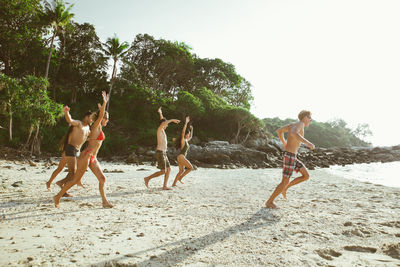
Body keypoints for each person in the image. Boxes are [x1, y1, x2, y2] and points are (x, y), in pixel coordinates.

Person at [53, 91, 113, 208]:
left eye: (107, 119)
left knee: (102, 179)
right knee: (75, 180)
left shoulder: (98, 127)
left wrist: (102, 108)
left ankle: (104, 202)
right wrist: (104, 104)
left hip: (93, 157)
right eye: (106, 118)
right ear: (101, 118)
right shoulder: (95, 125)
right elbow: (100, 115)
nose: (107, 120)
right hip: (86, 156)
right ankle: (58, 197)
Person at [265, 110, 315, 209]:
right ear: (305, 117)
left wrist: (284, 142)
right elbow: (293, 133)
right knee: (284, 181)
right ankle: (269, 202)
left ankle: (285, 188)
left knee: (305, 176)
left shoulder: (294, 124)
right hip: (290, 156)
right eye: (310, 118)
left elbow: (279, 131)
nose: (310, 120)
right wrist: (307, 143)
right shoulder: (300, 124)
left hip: (292, 156)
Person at [46, 107, 92, 196]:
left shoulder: (88, 129)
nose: (91, 120)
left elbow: (87, 139)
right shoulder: (79, 124)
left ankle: (49, 183)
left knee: (60, 168)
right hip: (70, 149)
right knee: (73, 173)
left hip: (76, 151)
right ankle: (61, 184)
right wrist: (66, 112)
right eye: (91, 118)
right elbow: (70, 120)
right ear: (86, 117)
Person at [144, 107, 180, 190]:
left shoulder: (162, 130)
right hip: (160, 152)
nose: (166, 125)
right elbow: (163, 123)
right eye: (165, 124)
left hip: (164, 153)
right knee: (163, 171)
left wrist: (160, 113)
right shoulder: (159, 129)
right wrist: (172, 120)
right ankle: (147, 178)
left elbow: (162, 121)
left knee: (169, 169)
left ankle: (164, 186)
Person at [172, 116, 194, 186]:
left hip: (181, 157)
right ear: (186, 134)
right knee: (190, 168)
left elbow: (191, 137)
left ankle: (174, 184)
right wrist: (186, 123)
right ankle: (180, 178)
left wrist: (192, 129)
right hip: (181, 157)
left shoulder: (186, 141)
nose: (189, 134)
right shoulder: (183, 140)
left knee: (181, 171)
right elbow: (183, 132)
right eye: (189, 133)